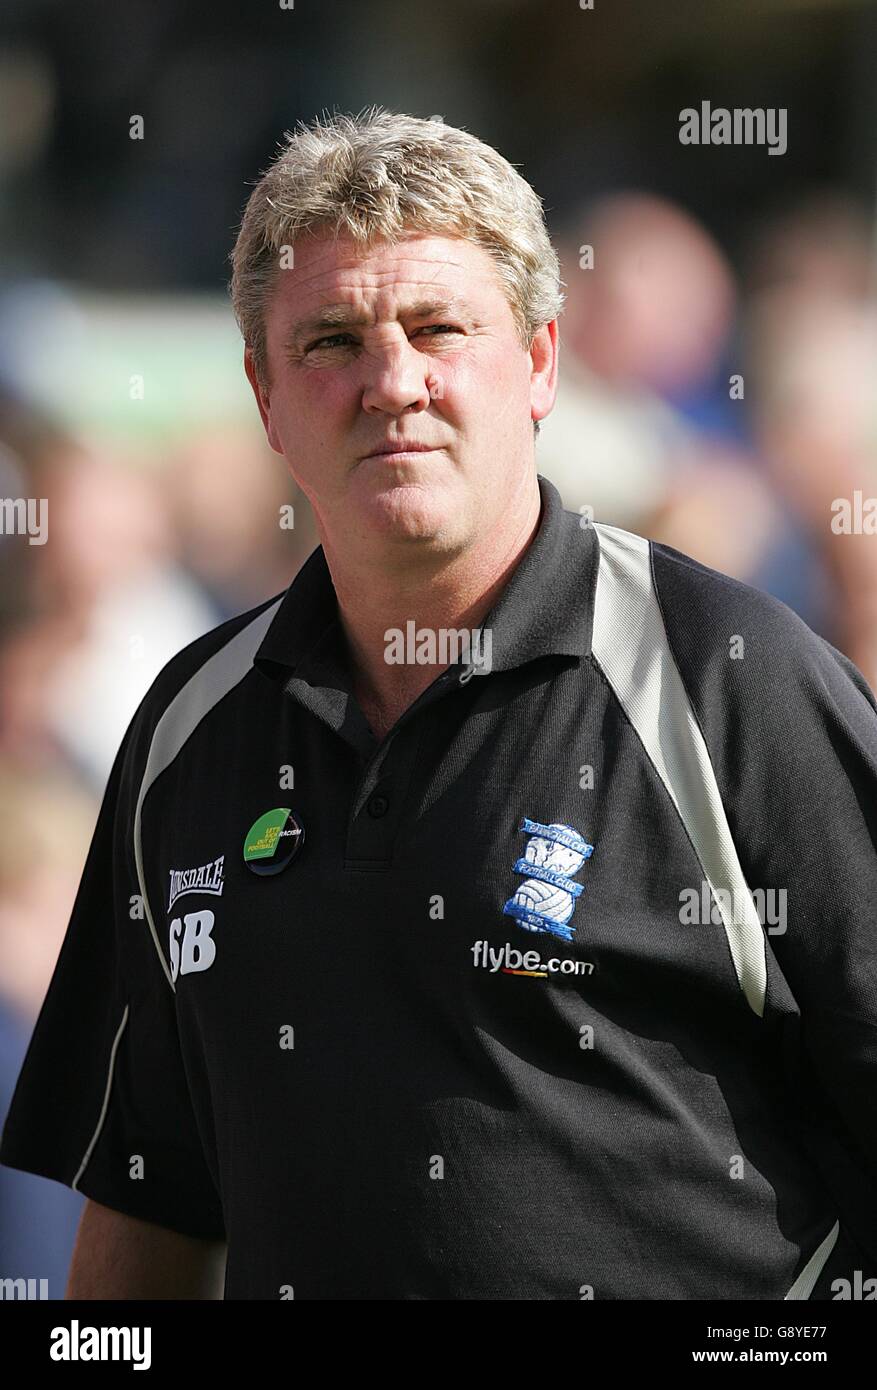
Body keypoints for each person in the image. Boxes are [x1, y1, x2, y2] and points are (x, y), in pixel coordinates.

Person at [1, 107, 876, 1301]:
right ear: (263, 393)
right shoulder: (188, 729)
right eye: (329, 342)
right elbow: (146, 1209)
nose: (391, 383)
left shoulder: (732, 678)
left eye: (437, 326)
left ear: (539, 362)